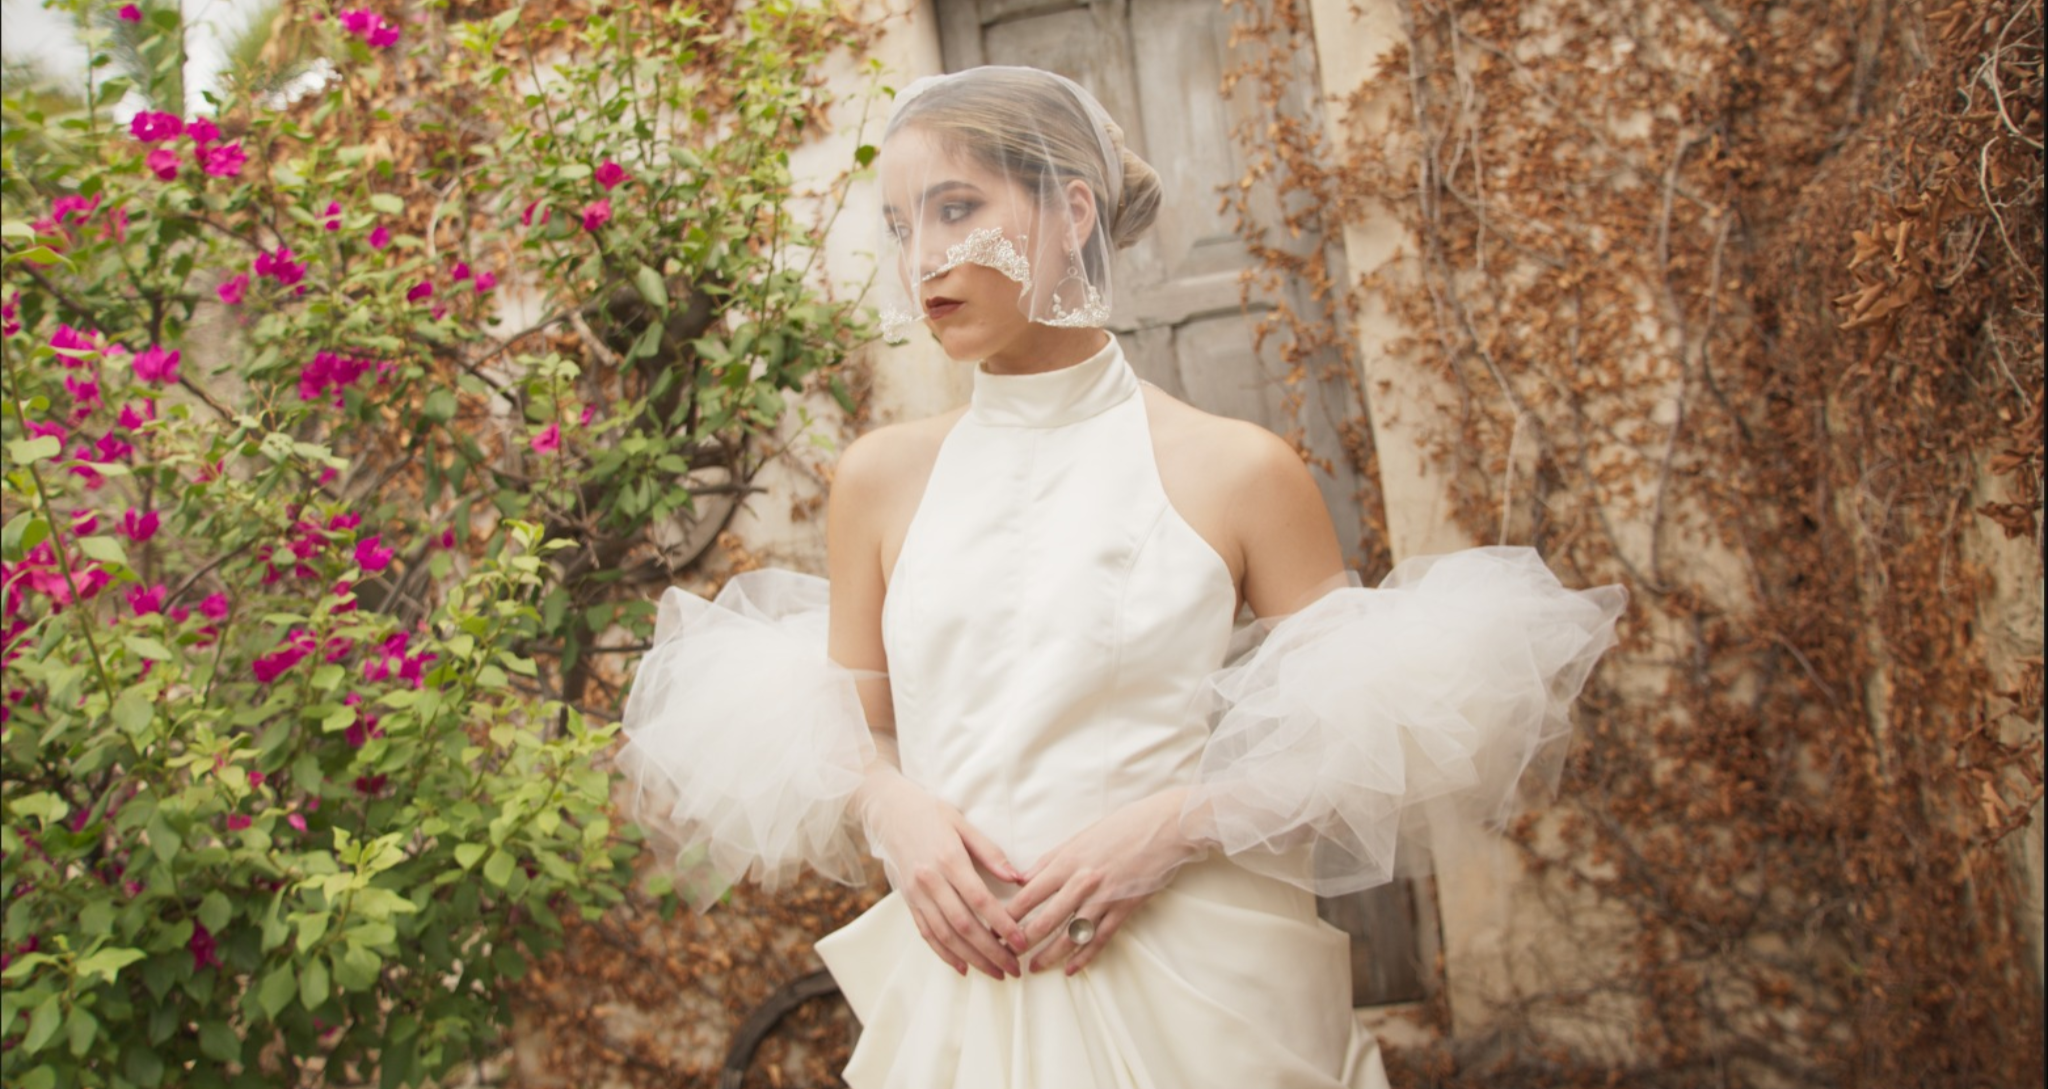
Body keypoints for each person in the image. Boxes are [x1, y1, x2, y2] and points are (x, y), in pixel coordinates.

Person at [619, 66, 1625, 1088]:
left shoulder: (1237, 470)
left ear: (1071, 210)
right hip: (967, 999)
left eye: (955, 209)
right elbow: (853, 725)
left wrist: (1172, 827)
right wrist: (891, 809)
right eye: (897, 226)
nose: (921, 259)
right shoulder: (877, 480)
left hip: (1199, 999)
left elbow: (1354, 741)